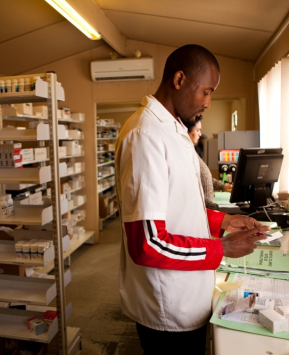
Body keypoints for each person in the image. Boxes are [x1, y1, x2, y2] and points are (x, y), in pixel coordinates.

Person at [115, 44, 269, 355]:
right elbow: (147, 243)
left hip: (189, 296)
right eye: (206, 91)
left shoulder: (173, 131)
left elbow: (179, 207)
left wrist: (224, 221)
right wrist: (222, 247)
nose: (208, 102)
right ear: (179, 79)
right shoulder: (146, 135)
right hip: (168, 309)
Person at [184, 115, 231, 210]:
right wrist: (213, 207)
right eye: (197, 130)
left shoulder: (191, 151)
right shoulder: (184, 154)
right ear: (186, 131)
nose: (200, 134)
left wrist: (223, 186)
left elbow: (204, 177)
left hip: (206, 209)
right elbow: (191, 191)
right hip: (202, 209)